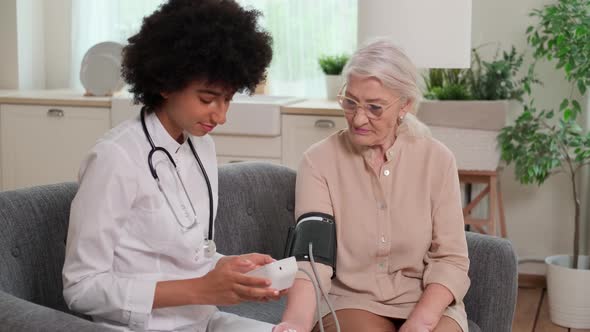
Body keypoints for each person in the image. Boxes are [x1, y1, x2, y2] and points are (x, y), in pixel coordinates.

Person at [62, 1, 279, 331]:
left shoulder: (201, 145)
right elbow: (82, 288)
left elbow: (189, 255)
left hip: (203, 320)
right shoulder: (115, 159)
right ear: (165, 83)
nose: (221, 116)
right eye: (207, 99)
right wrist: (200, 289)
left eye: (228, 99)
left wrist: (233, 269)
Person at [275, 40, 471, 332]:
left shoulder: (437, 160)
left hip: (427, 301)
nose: (358, 118)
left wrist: (420, 323)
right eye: (350, 102)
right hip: (352, 300)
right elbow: (312, 260)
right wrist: (294, 324)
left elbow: (451, 259)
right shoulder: (319, 161)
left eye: (374, 108)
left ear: (405, 105)